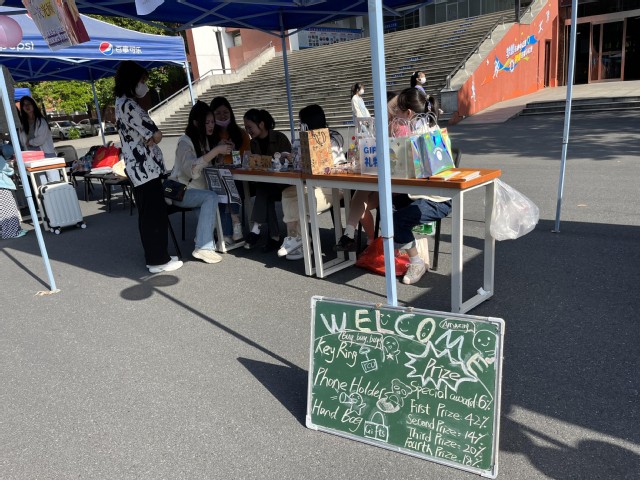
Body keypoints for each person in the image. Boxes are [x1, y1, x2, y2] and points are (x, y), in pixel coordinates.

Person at [114, 60, 182, 274]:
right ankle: (158, 260)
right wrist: (154, 137)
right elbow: (156, 134)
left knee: (149, 214)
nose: (144, 85)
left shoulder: (120, 104)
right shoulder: (129, 105)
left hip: (139, 170)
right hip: (146, 169)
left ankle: (157, 256)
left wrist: (152, 137)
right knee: (154, 216)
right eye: (142, 81)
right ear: (132, 81)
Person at [391, 88, 449, 285]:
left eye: (397, 112)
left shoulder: (421, 136)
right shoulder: (431, 130)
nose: (395, 116)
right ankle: (402, 245)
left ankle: (416, 261)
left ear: (408, 113)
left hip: (437, 198)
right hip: (421, 193)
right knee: (388, 203)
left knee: (397, 219)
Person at [277, 104, 346, 260]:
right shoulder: (300, 141)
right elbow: (298, 166)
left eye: (301, 122)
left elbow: (337, 167)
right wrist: (293, 156)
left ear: (307, 123)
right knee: (288, 193)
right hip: (310, 184)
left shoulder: (331, 139)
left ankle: (299, 241)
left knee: (302, 201)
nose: (300, 126)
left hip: (332, 186)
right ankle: (296, 239)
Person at [169, 101, 232, 264]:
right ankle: (203, 246)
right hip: (181, 191)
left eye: (212, 122)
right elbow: (191, 170)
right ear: (196, 123)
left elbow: (211, 168)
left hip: (199, 192)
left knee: (214, 197)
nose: (211, 126)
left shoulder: (206, 140)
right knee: (211, 197)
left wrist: (219, 153)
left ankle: (207, 240)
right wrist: (215, 151)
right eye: (207, 122)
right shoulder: (185, 142)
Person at [242, 108, 291, 252]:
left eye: (249, 127)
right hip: (266, 184)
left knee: (263, 189)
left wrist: (264, 161)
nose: (248, 131)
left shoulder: (279, 138)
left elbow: (289, 162)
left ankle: (257, 229)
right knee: (264, 190)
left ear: (261, 124)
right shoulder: (253, 143)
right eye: (246, 128)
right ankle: (273, 237)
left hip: (284, 183)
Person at [209, 96, 251, 244]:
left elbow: (247, 158)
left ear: (231, 113)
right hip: (216, 177)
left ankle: (231, 227)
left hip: (238, 177)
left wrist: (235, 152)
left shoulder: (240, 133)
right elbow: (210, 161)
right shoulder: (210, 134)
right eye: (218, 113)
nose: (222, 116)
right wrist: (218, 150)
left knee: (230, 186)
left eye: (225, 112)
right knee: (223, 190)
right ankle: (232, 226)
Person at [0, 147, 27, 239]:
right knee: (8, 210)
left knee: (3, 211)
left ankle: (5, 231)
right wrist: (11, 167)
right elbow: (7, 170)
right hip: (2, 186)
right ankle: (12, 232)